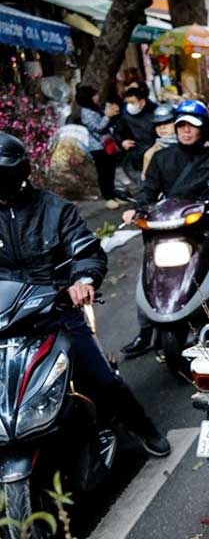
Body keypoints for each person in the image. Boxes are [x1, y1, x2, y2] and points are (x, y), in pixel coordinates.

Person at [0, 133, 171, 456]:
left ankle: (142, 427)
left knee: (101, 379)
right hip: (6, 322)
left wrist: (83, 279)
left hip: (56, 315)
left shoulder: (55, 210)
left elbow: (87, 250)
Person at [119, 100, 209, 358]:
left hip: (206, 224)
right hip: (167, 229)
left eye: (193, 126)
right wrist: (137, 208)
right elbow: (148, 191)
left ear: (203, 129)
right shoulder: (161, 158)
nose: (186, 131)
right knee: (147, 277)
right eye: (182, 125)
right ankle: (145, 332)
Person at [76, 85, 121, 209]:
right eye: (94, 95)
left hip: (107, 144)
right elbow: (98, 128)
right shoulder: (86, 112)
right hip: (98, 147)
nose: (97, 97)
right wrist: (107, 116)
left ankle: (112, 195)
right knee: (104, 172)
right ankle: (108, 197)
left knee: (111, 171)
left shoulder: (94, 109)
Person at [117, 82, 159, 183]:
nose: (129, 106)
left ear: (142, 102)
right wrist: (122, 141)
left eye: (132, 103)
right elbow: (118, 131)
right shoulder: (125, 115)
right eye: (128, 103)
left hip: (155, 152)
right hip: (137, 154)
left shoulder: (155, 112)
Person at [142, 103, 177, 180]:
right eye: (158, 124)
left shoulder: (193, 144)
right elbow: (147, 185)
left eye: (166, 122)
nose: (162, 127)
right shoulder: (150, 154)